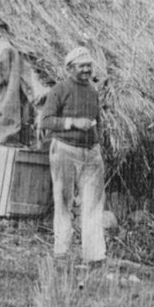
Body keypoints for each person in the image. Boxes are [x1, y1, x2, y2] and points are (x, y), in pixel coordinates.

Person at [36, 46, 107, 267]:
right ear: (70, 68)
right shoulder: (60, 90)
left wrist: (97, 145)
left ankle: (94, 256)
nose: (86, 70)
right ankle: (62, 254)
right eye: (81, 66)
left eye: (89, 65)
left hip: (91, 153)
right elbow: (46, 121)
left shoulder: (93, 91)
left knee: (93, 205)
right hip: (65, 150)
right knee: (63, 201)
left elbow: (99, 122)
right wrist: (73, 123)